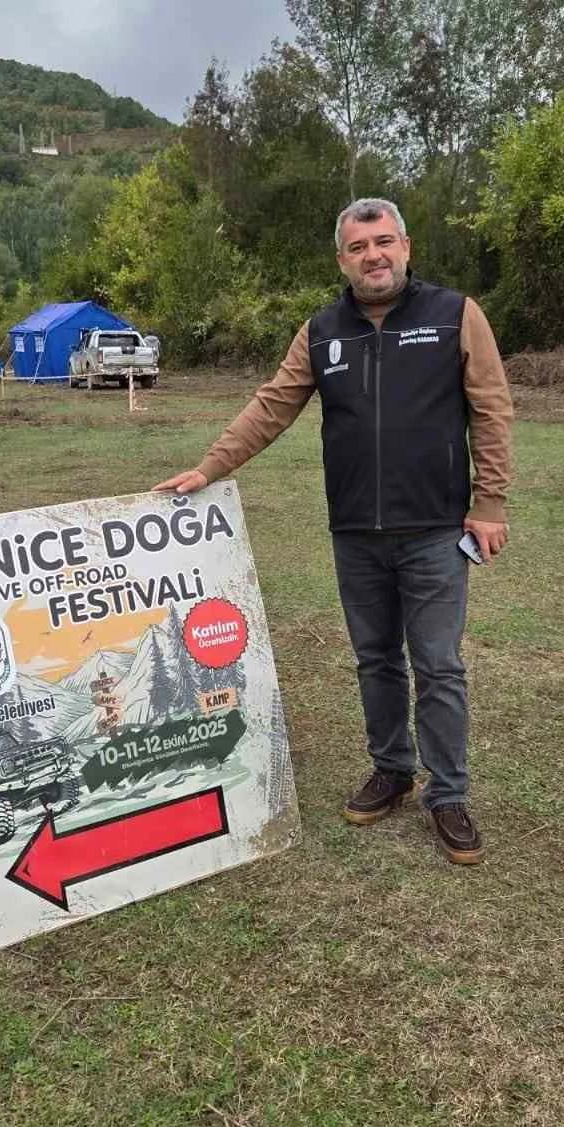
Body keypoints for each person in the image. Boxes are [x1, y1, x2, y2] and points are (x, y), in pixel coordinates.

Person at [154, 198, 513, 864]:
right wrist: (208, 468)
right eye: (358, 247)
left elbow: (491, 412)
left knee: (438, 666)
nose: (373, 255)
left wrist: (488, 503)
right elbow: (271, 407)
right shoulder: (322, 331)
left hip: (436, 531)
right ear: (342, 259)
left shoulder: (455, 315)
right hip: (356, 533)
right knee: (375, 661)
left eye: (384, 242)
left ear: (405, 245)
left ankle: (449, 793)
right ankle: (392, 769)